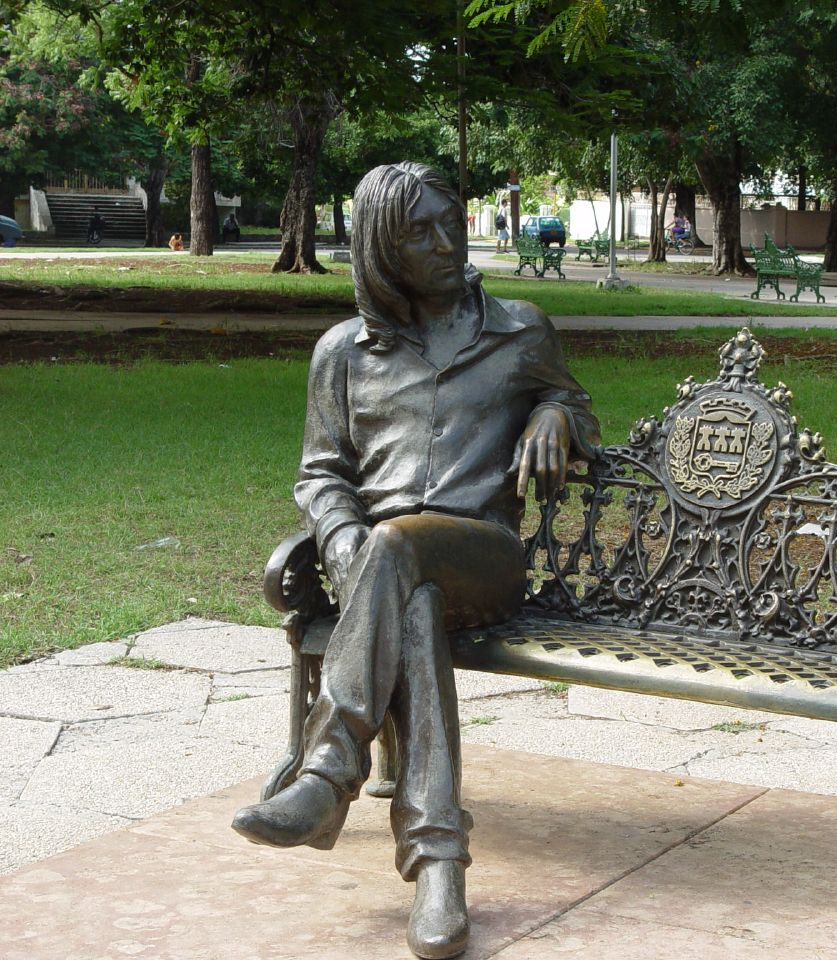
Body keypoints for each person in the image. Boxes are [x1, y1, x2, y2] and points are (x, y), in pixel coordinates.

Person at [230, 162, 599, 960]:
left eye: (450, 222)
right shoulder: (343, 353)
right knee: (410, 598)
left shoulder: (519, 328)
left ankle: (328, 771)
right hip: (393, 575)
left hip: (485, 558)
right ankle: (440, 870)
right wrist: (343, 542)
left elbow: (580, 408)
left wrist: (553, 412)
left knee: (401, 551)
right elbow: (321, 473)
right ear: (379, 249)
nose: (445, 243)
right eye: (418, 232)